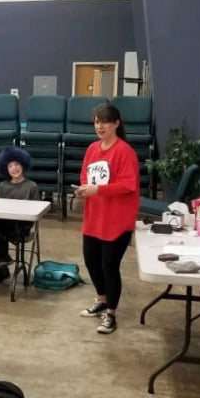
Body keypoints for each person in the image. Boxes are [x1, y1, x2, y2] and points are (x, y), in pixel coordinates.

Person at [74, 102, 140, 334]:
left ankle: (111, 314)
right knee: (91, 261)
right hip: (94, 217)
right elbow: (86, 175)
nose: (99, 126)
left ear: (116, 124)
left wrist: (97, 190)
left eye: (104, 121)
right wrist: (83, 189)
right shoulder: (92, 149)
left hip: (117, 220)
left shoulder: (125, 152)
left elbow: (127, 185)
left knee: (109, 266)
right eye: (96, 121)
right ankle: (102, 299)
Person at [0, 146, 39, 284]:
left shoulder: (32, 186)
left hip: (23, 225)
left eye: (16, 164)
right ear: (5, 168)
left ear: (23, 165)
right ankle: (1, 267)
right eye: (10, 166)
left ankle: (2, 266)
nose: (14, 169)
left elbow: (36, 212)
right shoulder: (3, 186)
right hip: (5, 224)